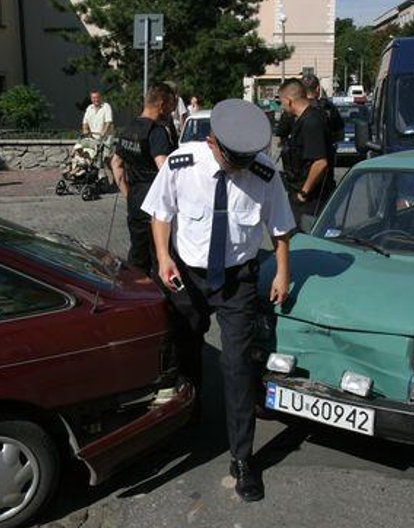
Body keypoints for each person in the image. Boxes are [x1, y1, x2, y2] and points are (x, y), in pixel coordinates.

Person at [142, 99, 295, 503]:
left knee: (237, 364)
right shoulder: (181, 164)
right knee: (186, 349)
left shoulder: (262, 172)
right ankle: (187, 421)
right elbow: (160, 213)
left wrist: (282, 271)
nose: (241, 167)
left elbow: (279, 227)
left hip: (237, 279)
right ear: (212, 142)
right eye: (234, 160)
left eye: (247, 159)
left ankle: (242, 458)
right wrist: (162, 257)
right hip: (188, 276)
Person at [110, 83, 178, 273]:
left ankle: (137, 292)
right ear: (162, 104)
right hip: (157, 205)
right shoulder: (156, 132)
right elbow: (165, 170)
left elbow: (116, 164)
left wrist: (128, 195)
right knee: (160, 258)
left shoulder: (129, 128)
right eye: (171, 106)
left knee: (138, 256)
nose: (172, 111)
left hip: (135, 201)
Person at [279, 78, 333, 222]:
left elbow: (320, 163)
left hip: (310, 201)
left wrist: (303, 193)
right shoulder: (301, 120)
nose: (282, 107)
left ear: (289, 100)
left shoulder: (311, 121)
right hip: (299, 194)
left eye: (282, 102)